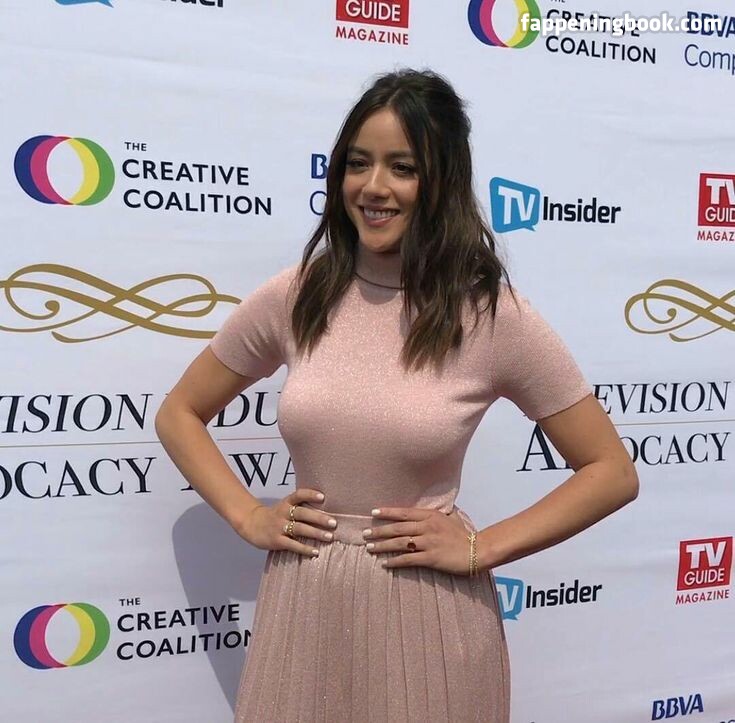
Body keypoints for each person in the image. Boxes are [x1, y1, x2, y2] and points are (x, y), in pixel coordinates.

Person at [155, 68, 638, 722]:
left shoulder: (492, 317)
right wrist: (248, 517)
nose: (373, 187)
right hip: (304, 603)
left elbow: (610, 471)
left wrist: (483, 546)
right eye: (358, 163)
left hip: (428, 613)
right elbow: (179, 413)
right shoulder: (298, 295)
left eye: (402, 168)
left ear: (441, 180)